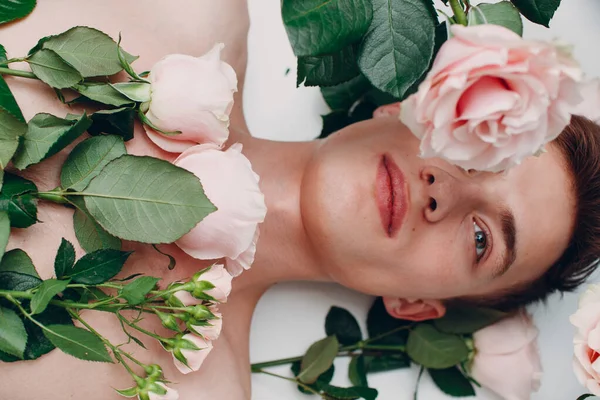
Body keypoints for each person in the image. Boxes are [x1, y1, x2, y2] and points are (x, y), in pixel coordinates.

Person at [1, 1, 599, 399]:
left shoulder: (188, 390)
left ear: (416, 305)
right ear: (410, 103)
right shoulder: (186, 8)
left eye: (481, 238)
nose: (445, 192)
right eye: (477, 149)